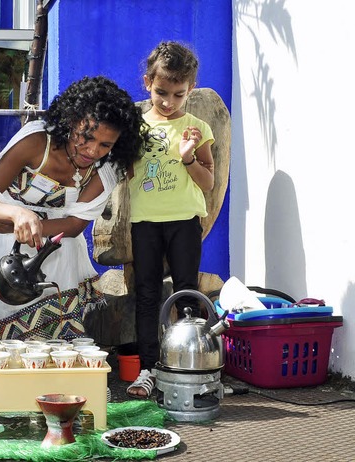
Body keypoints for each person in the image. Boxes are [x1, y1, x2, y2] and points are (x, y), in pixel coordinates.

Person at [0, 76, 144, 341]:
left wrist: (35, 226)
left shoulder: (108, 167)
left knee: (57, 323)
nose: (93, 150)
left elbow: (74, 224)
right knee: (4, 319)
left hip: (58, 237)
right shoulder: (38, 141)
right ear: (71, 121)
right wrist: (16, 216)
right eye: (86, 137)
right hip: (0, 227)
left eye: (105, 145)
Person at [127, 41, 215, 399]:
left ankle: (190, 368)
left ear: (190, 89)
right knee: (146, 293)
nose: (168, 101)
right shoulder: (134, 125)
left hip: (183, 221)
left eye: (178, 94)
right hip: (145, 221)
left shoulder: (197, 127)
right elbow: (122, 169)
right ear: (147, 82)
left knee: (186, 293)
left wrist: (189, 157)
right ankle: (147, 369)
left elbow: (208, 182)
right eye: (161, 92)